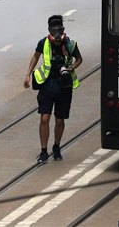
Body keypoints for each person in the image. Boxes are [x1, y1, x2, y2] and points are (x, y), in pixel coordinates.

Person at [24, 14, 82, 164]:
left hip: (64, 87)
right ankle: (43, 151)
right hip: (47, 86)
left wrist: (71, 68)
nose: (56, 33)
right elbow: (35, 56)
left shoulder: (70, 44)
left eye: (59, 29)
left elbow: (79, 59)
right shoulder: (43, 43)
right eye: (53, 29)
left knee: (60, 120)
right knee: (44, 118)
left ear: (63, 29)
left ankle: (56, 146)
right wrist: (28, 74)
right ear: (49, 30)